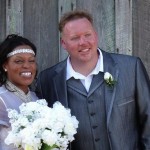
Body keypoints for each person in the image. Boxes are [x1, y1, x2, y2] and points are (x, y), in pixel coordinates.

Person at [36, 10, 150, 150]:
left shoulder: (131, 68)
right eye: (75, 38)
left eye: (87, 35)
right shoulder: (47, 80)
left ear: (96, 35)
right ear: (63, 43)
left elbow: (148, 120)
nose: (83, 42)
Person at [0, 34, 39, 149]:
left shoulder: (36, 98)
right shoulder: (1, 100)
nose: (27, 66)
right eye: (18, 61)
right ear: (5, 66)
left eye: (31, 61)